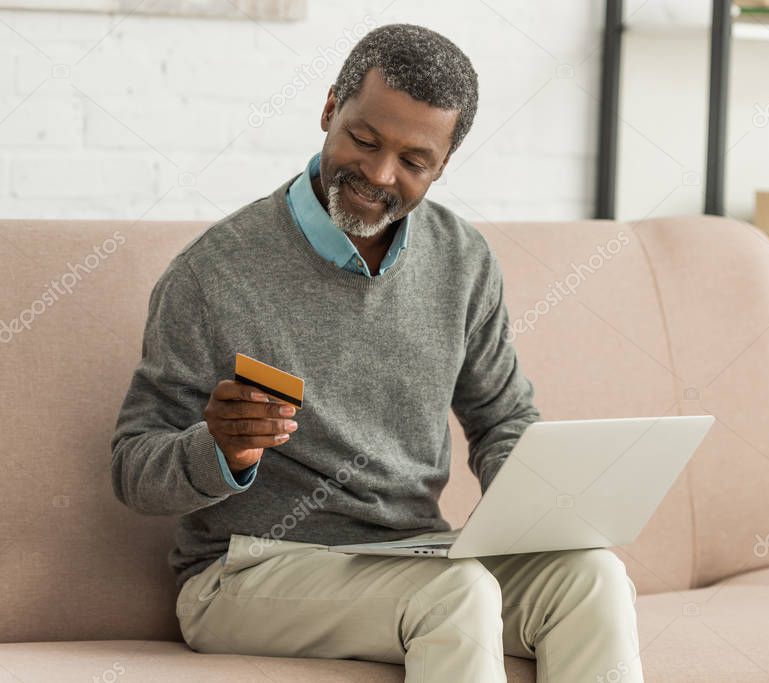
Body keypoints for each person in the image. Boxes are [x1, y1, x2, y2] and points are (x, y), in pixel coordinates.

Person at [110, 23, 644, 683]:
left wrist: (537, 503)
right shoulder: (214, 272)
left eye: (413, 161)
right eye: (364, 139)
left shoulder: (463, 260)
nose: (379, 175)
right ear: (330, 108)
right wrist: (218, 449)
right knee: (458, 593)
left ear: (443, 164)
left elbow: (503, 417)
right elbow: (132, 466)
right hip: (247, 569)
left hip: (416, 554)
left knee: (591, 575)